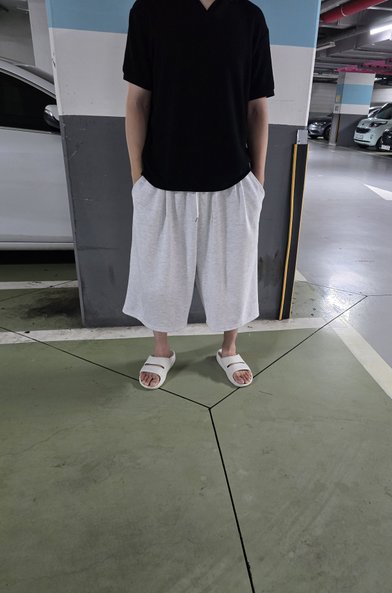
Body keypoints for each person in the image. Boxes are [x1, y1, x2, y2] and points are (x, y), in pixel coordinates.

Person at [122, 0, 274, 390]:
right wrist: (138, 177)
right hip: (161, 176)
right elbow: (138, 100)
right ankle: (161, 349)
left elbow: (256, 107)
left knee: (233, 274)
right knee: (159, 276)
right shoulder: (149, 11)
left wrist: (257, 180)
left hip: (232, 177)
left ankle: (229, 348)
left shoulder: (249, 18)